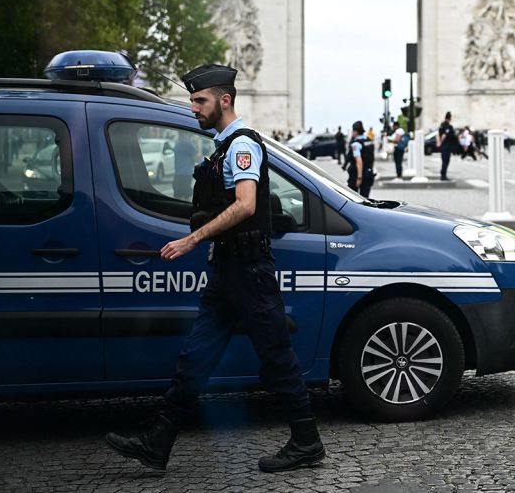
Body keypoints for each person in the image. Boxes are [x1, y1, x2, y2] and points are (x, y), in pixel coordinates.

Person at [105, 64, 325, 473]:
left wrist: (191, 239)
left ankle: (306, 442)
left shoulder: (242, 146)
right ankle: (159, 443)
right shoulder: (222, 147)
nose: (193, 107)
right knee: (196, 357)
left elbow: (246, 205)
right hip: (227, 271)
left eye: (199, 100)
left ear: (224, 100)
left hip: (250, 271)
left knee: (277, 356)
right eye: (191, 100)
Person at [346, 120, 375, 197]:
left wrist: (359, 177)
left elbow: (359, 161)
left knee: (352, 198)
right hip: (369, 173)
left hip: (357, 174)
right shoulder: (369, 141)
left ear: (355, 131)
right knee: (365, 199)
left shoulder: (356, 143)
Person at [436, 111, 456, 181]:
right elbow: (444, 135)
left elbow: (438, 134)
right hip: (446, 146)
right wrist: (441, 143)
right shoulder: (447, 126)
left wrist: (439, 143)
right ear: (450, 118)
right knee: (446, 160)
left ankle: (443, 174)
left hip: (444, 146)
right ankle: (443, 175)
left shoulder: (441, 125)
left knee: (444, 160)